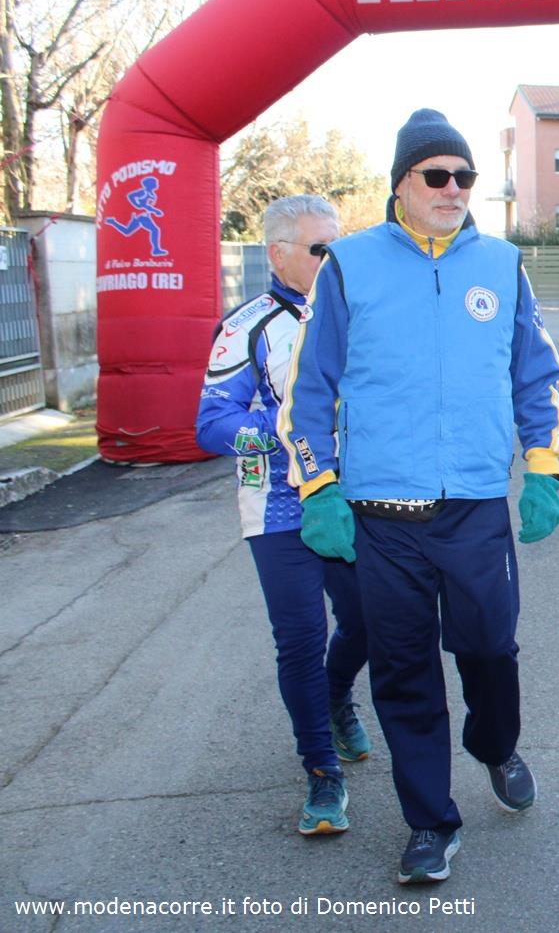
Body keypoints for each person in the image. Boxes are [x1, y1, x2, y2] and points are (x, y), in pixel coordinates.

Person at [279, 109, 559, 884]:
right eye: (436, 175)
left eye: (464, 176)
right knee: (404, 671)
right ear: (402, 183)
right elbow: (309, 389)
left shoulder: (502, 264)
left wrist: (543, 467)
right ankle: (430, 823)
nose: (453, 188)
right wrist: (319, 485)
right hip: (382, 518)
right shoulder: (349, 264)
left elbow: (536, 375)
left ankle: (496, 743)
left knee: (489, 649)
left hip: (474, 508)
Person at [195, 194, 371, 838]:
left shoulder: (360, 308)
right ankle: (322, 772)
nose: (332, 259)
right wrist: (287, 423)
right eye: (320, 249)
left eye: (337, 246)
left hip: (354, 497)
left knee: (369, 623)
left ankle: (335, 695)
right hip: (278, 505)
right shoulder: (248, 325)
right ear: (277, 253)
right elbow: (211, 424)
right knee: (299, 638)